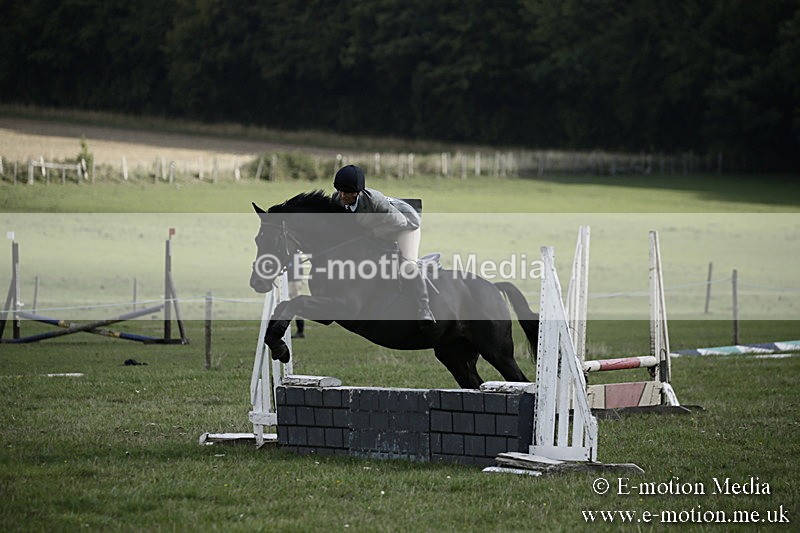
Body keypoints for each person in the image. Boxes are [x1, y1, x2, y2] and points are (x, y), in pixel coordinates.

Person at [331, 164, 435, 325]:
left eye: (348, 192)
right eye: (340, 191)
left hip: (405, 224)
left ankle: (424, 308)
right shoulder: (337, 199)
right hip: (378, 227)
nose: (343, 196)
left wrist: (372, 233)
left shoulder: (374, 200)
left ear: (357, 192)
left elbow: (399, 222)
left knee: (407, 266)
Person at [286, 258, 305, 338]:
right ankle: (300, 331)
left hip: (293, 281)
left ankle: (300, 332)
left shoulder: (293, 254)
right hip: (294, 280)